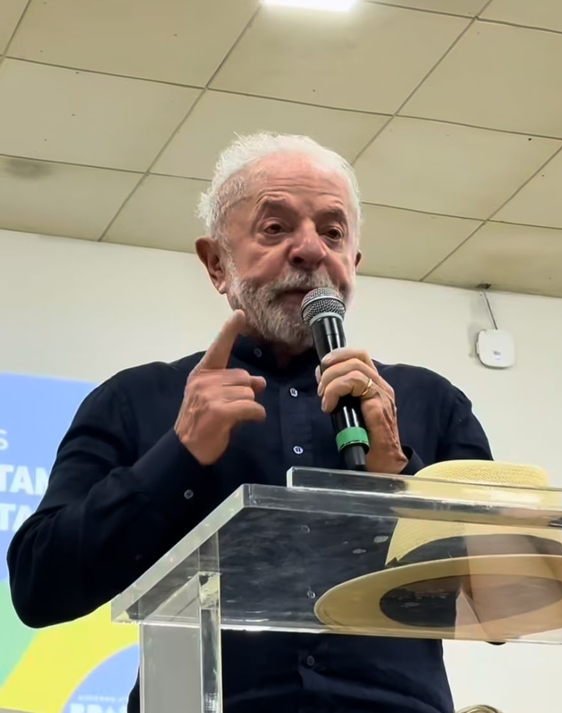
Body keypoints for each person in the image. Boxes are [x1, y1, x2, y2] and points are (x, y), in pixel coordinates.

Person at [7, 132, 493, 713]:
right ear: (217, 263)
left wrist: (399, 475)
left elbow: (502, 602)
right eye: (276, 228)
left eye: (333, 233)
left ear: (353, 265)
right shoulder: (135, 399)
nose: (310, 250)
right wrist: (179, 455)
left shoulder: (429, 402)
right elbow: (38, 588)